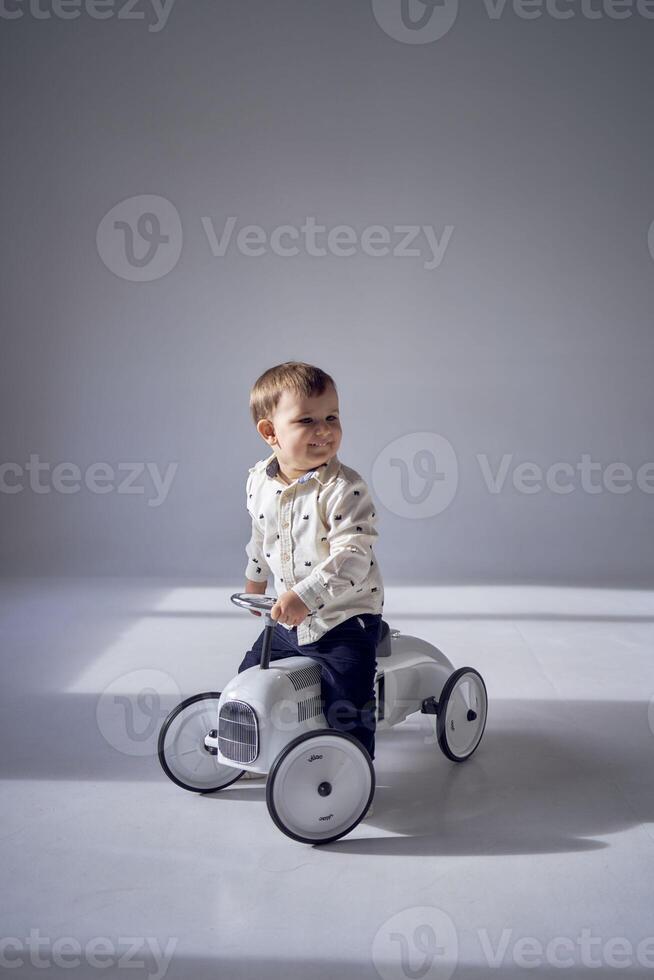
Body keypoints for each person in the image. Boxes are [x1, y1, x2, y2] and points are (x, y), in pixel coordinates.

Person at [237, 361, 384, 812]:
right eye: (307, 420)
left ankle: (351, 767)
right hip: (287, 614)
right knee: (248, 672)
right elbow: (261, 536)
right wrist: (256, 579)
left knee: (347, 694)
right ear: (270, 431)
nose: (324, 430)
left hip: (343, 616)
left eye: (332, 417)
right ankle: (247, 737)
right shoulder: (258, 481)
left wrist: (307, 596)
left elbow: (353, 556)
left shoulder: (344, 488)